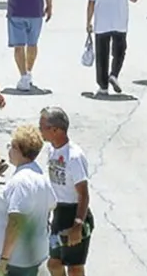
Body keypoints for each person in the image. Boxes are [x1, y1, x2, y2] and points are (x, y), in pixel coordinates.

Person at [0, 124, 57, 276]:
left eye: (12, 146)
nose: (9, 149)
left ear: (20, 150)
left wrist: (4, 259)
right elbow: (51, 204)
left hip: (16, 259)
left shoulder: (21, 182)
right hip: (33, 255)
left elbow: (15, 221)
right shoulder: (39, 174)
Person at [40, 107, 94, 276]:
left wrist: (78, 224)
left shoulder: (74, 157)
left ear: (56, 130)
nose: (40, 131)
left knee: (74, 267)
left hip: (74, 213)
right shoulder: (51, 150)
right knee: (54, 263)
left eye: (42, 127)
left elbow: (83, 194)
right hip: (59, 213)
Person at [85, 0, 138, 95]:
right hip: (120, 22)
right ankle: (114, 74)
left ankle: (103, 86)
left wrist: (88, 21)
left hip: (101, 22)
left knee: (102, 55)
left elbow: (91, 2)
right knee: (119, 52)